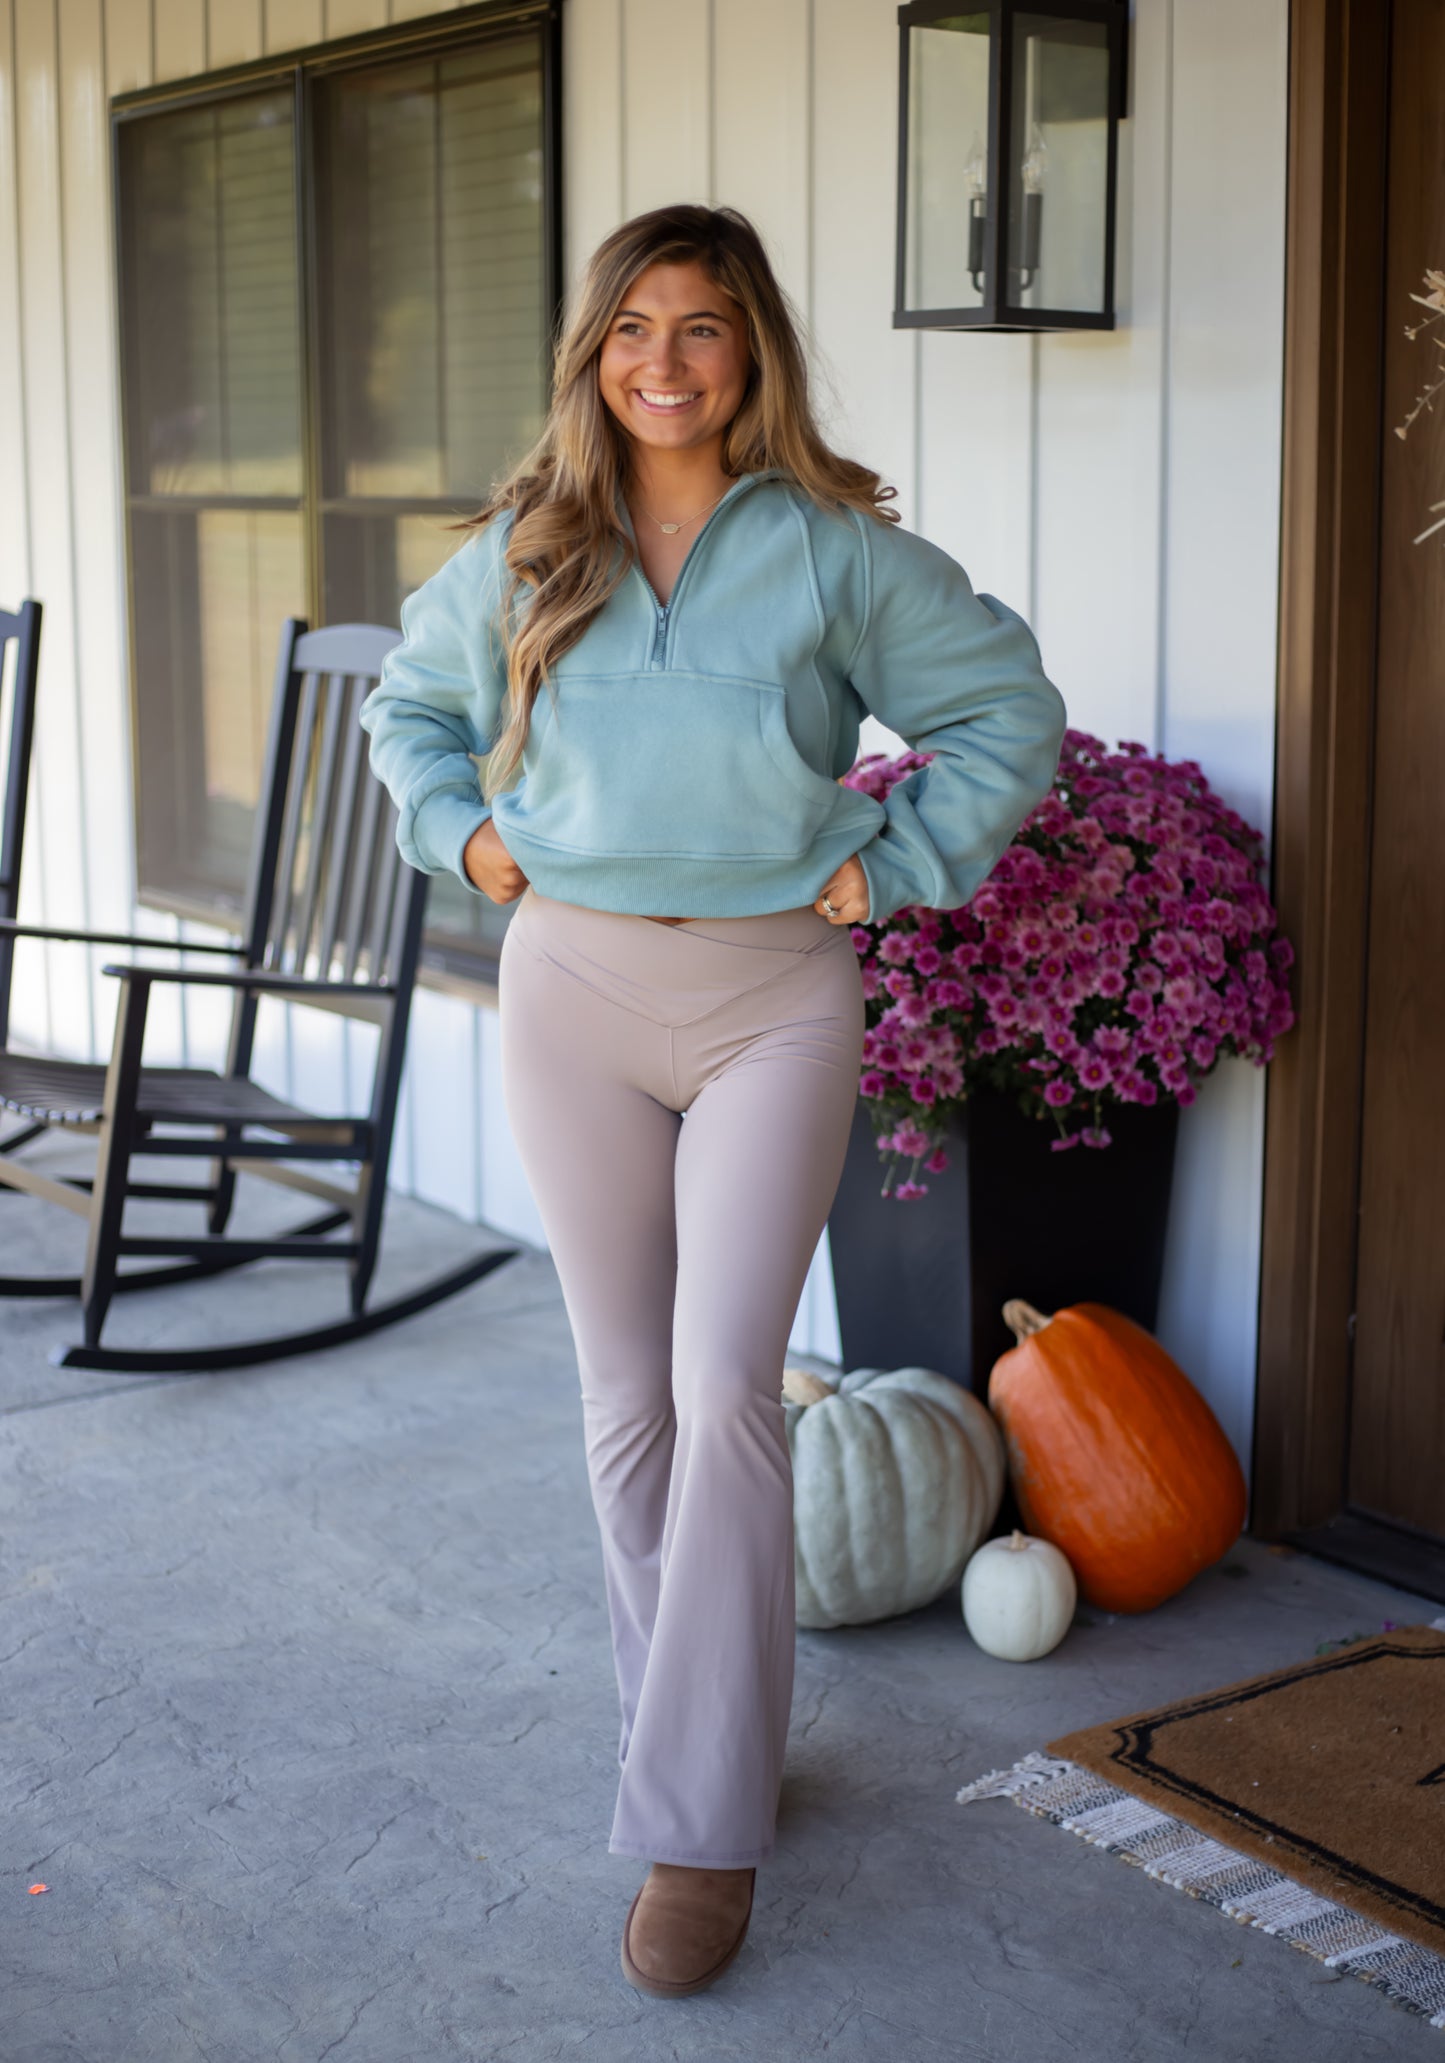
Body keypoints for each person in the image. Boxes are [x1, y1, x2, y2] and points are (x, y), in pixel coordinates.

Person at [359, 203, 1066, 2000]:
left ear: (751, 353)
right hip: (576, 989)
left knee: (722, 1392)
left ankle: (696, 1831)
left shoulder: (829, 555)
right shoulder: (529, 547)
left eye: (702, 330)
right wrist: (470, 838)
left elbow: (1004, 710)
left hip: (771, 998)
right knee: (623, 1409)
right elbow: (406, 717)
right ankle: (701, 1749)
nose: (662, 364)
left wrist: (891, 864)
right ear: (592, 354)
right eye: (631, 331)